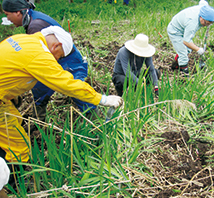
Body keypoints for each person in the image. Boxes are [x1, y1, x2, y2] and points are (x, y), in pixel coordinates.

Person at [0, 26, 123, 164]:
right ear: (56, 46)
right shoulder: (39, 56)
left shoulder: (21, 39)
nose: (58, 60)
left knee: (15, 121)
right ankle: (11, 182)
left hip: (3, 98)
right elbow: (66, 83)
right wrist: (102, 99)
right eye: (61, 56)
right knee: (19, 149)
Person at [2, 0, 99, 125]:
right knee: (40, 87)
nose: (7, 19)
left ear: (17, 12)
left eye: (7, 15)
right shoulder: (31, 17)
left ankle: (96, 122)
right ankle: (38, 120)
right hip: (57, 55)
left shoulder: (35, 26)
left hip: (67, 59)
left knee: (74, 86)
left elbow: (36, 59)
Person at [167, 0, 214, 76]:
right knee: (183, 54)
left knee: (188, 49)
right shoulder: (192, 23)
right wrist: (198, 49)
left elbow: (202, 2)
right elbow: (186, 41)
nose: (206, 25)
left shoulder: (204, 9)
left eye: (210, 24)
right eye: (206, 23)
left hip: (183, 28)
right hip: (175, 31)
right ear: (201, 17)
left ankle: (175, 63)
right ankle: (184, 74)